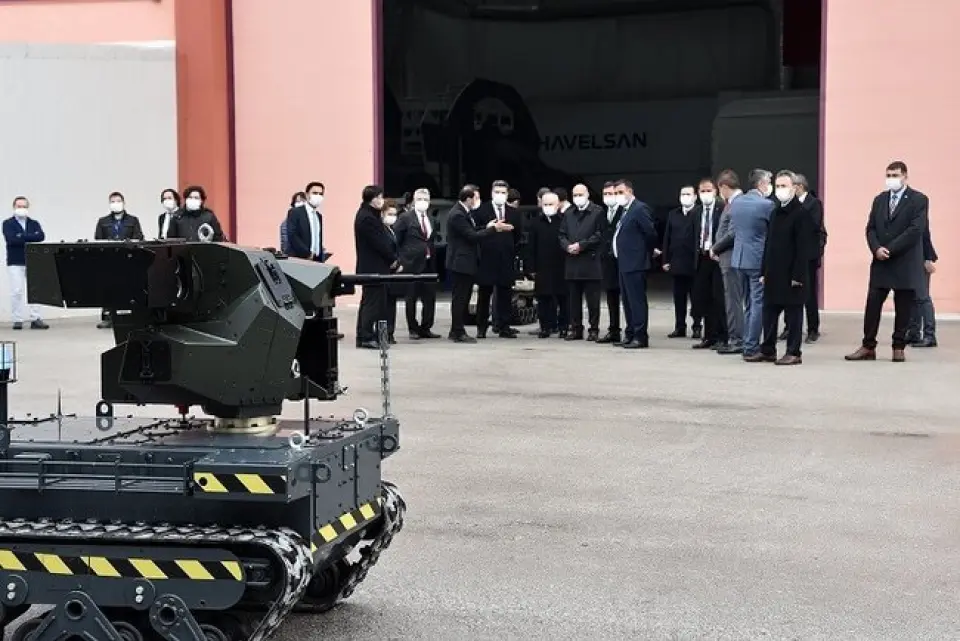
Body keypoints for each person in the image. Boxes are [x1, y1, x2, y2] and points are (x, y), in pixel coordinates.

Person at [846, 161, 928, 363]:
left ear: (905, 176)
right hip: (881, 261)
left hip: (904, 261)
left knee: (903, 306)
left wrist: (890, 249)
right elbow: (871, 228)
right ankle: (868, 346)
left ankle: (898, 347)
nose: (891, 179)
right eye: (889, 175)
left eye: (895, 175)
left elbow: (915, 230)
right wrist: (876, 248)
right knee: (873, 304)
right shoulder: (880, 199)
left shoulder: (918, 199)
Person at [749, 170, 813, 365]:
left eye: (784, 186)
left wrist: (798, 276)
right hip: (774, 273)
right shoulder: (775, 212)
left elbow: (803, 248)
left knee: (793, 315)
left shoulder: (801, 214)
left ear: (794, 188)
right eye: (777, 186)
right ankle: (767, 350)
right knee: (769, 312)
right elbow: (768, 245)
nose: (780, 190)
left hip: (792, 274)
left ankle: (794, 352)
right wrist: (763, 271)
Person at [714, 169, 774, 358]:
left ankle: (747, 341)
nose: (770, 187)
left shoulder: (737, 203)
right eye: (769, 183)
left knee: (748, 303)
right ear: (761, 184)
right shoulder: (767, 205)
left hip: (739, 259)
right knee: (757, 303)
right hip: (757, 260)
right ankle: (751, 346)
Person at [445, 185, 511, 343]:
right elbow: (471, 236)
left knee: (464, 297)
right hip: (461, 262)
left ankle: (456, 329)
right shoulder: (457, 214)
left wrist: (487, 227)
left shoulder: (463, 212)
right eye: (476, 198)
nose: (477, 201)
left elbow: (473, 230)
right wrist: (493, 229)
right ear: (468, 198)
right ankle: (457, 331)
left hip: (466, 261)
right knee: (460, 298)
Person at [475, 180, 523, 339]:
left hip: (506, 258)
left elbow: (517, 236)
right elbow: (474, 232)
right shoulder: (481, 210)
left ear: (507, 194)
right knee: (484, 295)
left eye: (503, 192)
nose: (500, 195)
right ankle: (481, 327)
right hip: (487, 258)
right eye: (497, 192)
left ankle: (504, 326)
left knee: (505, 294)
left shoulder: (514, 213)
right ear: (491, 193)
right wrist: (488, 228)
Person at [613, 179, 657, 348]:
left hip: (635, 262)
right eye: (616, 193)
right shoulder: (624, 211)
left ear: (630, 191)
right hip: (624, 262)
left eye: (620, 192)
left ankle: (640, 336)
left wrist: (644, 251)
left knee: (636, 301)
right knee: (627, 301)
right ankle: (630, 332)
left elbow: (650, 232)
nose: (618, 196)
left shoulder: (639, 209)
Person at [354, 185, 399, 349]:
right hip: (373, 267)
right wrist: (392, 259)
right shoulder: (368, 218)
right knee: (372, 304)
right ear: (371, 199)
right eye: (378, 198)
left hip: (375, 267)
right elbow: (379, 243)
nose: (381, 200)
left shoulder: (370, 215)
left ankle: (365, 334)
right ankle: (366, 336)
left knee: (371, 302)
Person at [559, 183, 605, 341]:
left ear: (587, 195)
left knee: (593, 300)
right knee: (573, 300)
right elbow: (561, 234)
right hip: (572, 262)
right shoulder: (569, 213)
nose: (578, 198)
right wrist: (567, 246)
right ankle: (576, 328)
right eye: (575, 195)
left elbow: (600, 234)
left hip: (590, 262)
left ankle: (594, 329)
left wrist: (582, 245)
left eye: (580, 194)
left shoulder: (598, 212)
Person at [94, 191, 145, 329]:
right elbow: (98, 239)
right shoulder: (103, 221)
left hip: (128, 259)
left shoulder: (133, 220)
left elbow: (139, 237)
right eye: (112, 201)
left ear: (123, 203)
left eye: (118, 201)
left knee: (130, 287)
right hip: (109, 259)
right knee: (108, 288)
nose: (115, 204)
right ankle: (108, 317)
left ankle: (131, 316)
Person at [394, 188, 440, 340]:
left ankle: (426, 327)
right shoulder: (405, 218)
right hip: (411, 263)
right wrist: (400, 259)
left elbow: (431, 239)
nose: (423, 202)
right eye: (419, 199)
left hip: (428, 263)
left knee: (429, 297)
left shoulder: (431, 219)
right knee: (411, 297)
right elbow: (396, 240)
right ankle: (413, 328)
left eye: (425, 199)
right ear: (414, 201)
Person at [709, 171, 744, 352]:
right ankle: (736, 337)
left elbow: (732, 233)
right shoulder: (733, 203)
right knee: (732, 300)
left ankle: (737, 339)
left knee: (733, 301)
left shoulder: (736, 204)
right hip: (728, 257)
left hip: (730, 259)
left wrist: (715, 248)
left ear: (723, 187)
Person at [526, 191, 568, 338]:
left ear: (558, 205)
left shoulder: (565, 221)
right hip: (542, 265)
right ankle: (545, 327)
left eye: (551, 204)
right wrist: (531, 267)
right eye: (545, 204)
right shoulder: (535, 223)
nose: (548, 207)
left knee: (563, 297)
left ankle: (563, 327)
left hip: (561, 265)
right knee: (544, 298)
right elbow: (530, 246)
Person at [3, 196, 49, 330]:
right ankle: (17, 319)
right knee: (16, 291)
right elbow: (11, 239)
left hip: (33, 260)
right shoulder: (8, 223)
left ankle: (36, 318)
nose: (21, 209)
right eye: (19, 206)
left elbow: (40, 236)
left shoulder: (34, 223)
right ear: (14, 207)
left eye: (24, 206)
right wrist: (30, 237)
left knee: (35, 290)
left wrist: (21, 236)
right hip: (15, 261)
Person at [661, 185, 699, 338]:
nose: (685, 197)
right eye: (683, 194)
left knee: (696, 297)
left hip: (694, 263)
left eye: (688, 194)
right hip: (677, 262)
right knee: (679, 297)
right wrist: (665, 260)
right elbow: (667, 238)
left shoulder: (699, 213)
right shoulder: (673, 214)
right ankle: (680, 326)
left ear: (695, 197)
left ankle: (697, 326)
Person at [792, 174, 826, 343]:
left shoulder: (814, 203)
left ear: (799, 186)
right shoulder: (790, 204)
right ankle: (789, 327)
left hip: (809, 255)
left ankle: (813, 328)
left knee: (809, 292)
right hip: (792, 254)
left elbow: (814, 225)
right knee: (791, 291)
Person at [597, 181, 623, 344]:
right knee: (611, 297)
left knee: (626, 297)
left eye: (611, 194)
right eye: (605, 194)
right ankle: (614, 330)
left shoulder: (624, 211)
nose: (608, 197)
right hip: (607, 261)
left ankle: (632, 330)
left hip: (622, 260)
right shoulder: (602, 213)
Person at [906, 223, 938, 348]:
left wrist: (927, 258)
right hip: (910, 259)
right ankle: (913, 333)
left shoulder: (919, 210)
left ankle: (929, 336)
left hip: (921, 258)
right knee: (912, 297)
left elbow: (925, 234)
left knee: (923, 298)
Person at [285, 182, 329, 262]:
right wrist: (307, 254)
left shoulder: (318, 216)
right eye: (315, 193)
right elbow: (292, 235)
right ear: (307, 194)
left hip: (316, 260)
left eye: (321, 194)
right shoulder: (296, 212)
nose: (318, 196)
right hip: (299, 259)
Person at [381, 199, 402, 344]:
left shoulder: (392, 230)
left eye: (394, 214)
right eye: (390, 214)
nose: (392, 217)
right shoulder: (381, 230)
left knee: (391, 303)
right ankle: (385, 333)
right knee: (384, 304)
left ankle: (390, 332)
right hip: (386, 270)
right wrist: (393, 262)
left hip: (393, 271)